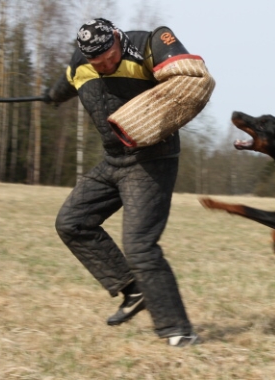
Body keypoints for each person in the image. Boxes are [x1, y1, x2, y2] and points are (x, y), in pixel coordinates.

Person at [44, 18, 214, 347]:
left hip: (153, 160)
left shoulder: (149, 45)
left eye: (110, 56)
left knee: (139, 246)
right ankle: (134, 289)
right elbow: (66, 83)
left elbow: (189, 78)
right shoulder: (81, 64)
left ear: (118, 39)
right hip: (113, 159)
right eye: (98, 61)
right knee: (72, 222)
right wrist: (50, 97)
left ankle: (177, 330)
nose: (106, 64)